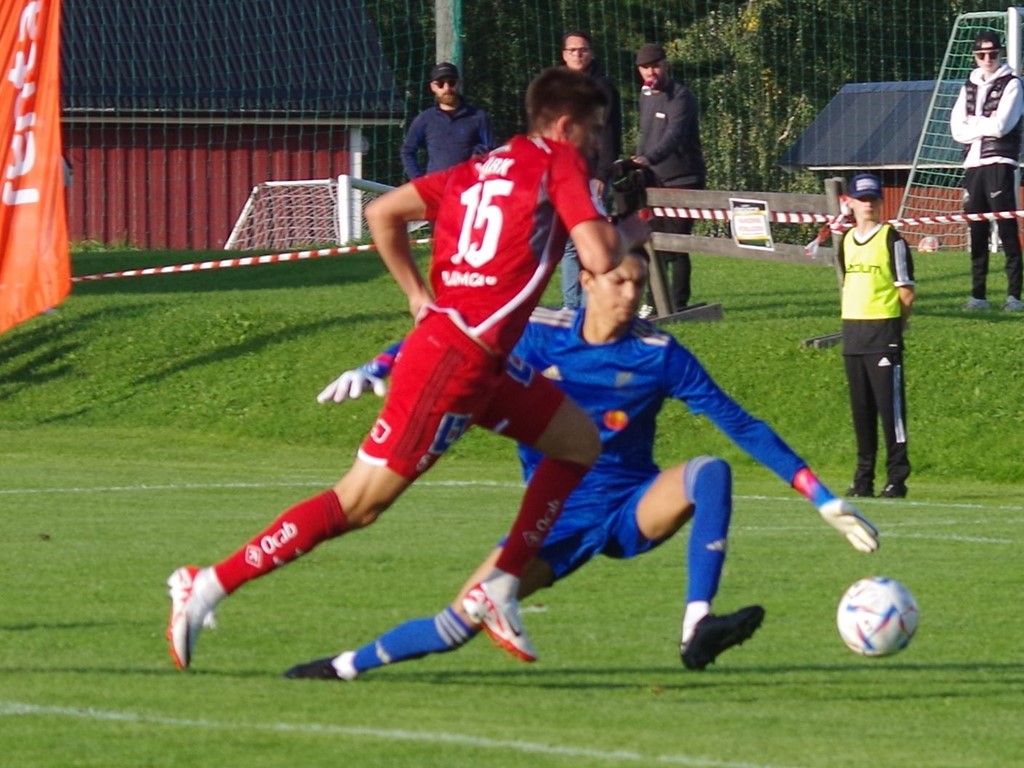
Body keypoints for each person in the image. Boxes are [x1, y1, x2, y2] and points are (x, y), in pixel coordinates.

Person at [166, 67, 651, 670]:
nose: (597, 144)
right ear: (565, 125)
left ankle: (498, 586)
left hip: (476, 356)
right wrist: (636, 221)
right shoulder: (559, 160)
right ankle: (207, 583)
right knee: (359, 504)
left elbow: (383, 213)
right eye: (595, 131)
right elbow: (601, 255)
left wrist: (416, 296)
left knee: (577, 442)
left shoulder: (479, 168)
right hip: (454, 364)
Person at [282, 251, 880, 682]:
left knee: (710, 471)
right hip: (551, 524)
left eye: (639, 283)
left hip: (633, 505)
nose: (632, 295)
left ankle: (697, 627)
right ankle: (342, 666)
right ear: (587, 279)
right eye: (619, 281)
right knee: (457, 622)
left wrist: (823, 498)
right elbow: (448, 333)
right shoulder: (538, 334)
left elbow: (741, 424)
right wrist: (377, 368)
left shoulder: (659, 353)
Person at [838, 173, 915, 499]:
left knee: (890, 411)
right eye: (862, 199)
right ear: (850, 202)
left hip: (882, 332)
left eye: (873, 199)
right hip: (853, 333)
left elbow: (906, 292)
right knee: (862, 411)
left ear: (881, 202)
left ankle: (896, 479)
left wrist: (895, 327)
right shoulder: (845, 240)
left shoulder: (891, 239)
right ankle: (863, 479)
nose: (868, 205)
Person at [949, 30, 1024, 313]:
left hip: (1000, 162)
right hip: (973, 165)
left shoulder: (1013, 84)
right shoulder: (966, 86)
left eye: (992, 53)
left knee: (1006, 228)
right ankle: (978, 295)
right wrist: (983, 123)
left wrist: (974, 125)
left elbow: (1002, 126)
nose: (987, 59)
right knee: (976, 230)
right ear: (974, 56)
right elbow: (957, 130)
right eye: (982, 54)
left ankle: (1013, 296)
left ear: (1000, 53)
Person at [632, 43, 706, 315]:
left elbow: (673, 136)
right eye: (645, 67)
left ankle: (678, 302)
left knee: (676, 241)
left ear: (666, 64)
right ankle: (654, 302)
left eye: (656, 65)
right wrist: (639, 161)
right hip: (653, 179)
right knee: (653, 242)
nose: (651, 72)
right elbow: (645, 132)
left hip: (683, 178)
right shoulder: (646, 94)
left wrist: (649, 158)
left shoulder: (681, 96)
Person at [558, 30, 623, 309]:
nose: (577, 54)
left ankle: (589, 306)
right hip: (563, 175)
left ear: (591, 53)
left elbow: (609, 133)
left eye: (582, 50)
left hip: (591, 174)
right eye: (572, 50)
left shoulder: (602, 86)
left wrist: (601, 174)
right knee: (569, 244)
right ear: (564, 55)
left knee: (592, 242)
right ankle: (570, 307)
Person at [399, 62, 494, 180]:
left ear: (459, 83)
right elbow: (407, 151)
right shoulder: (425, 119)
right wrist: (419, 182)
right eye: (440, 84)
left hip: (468, 189)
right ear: (433, 87)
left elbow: (492, 150)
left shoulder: (478, 117)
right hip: (436, 191)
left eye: (451, 82)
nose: (447, 88)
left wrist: (480, 156)